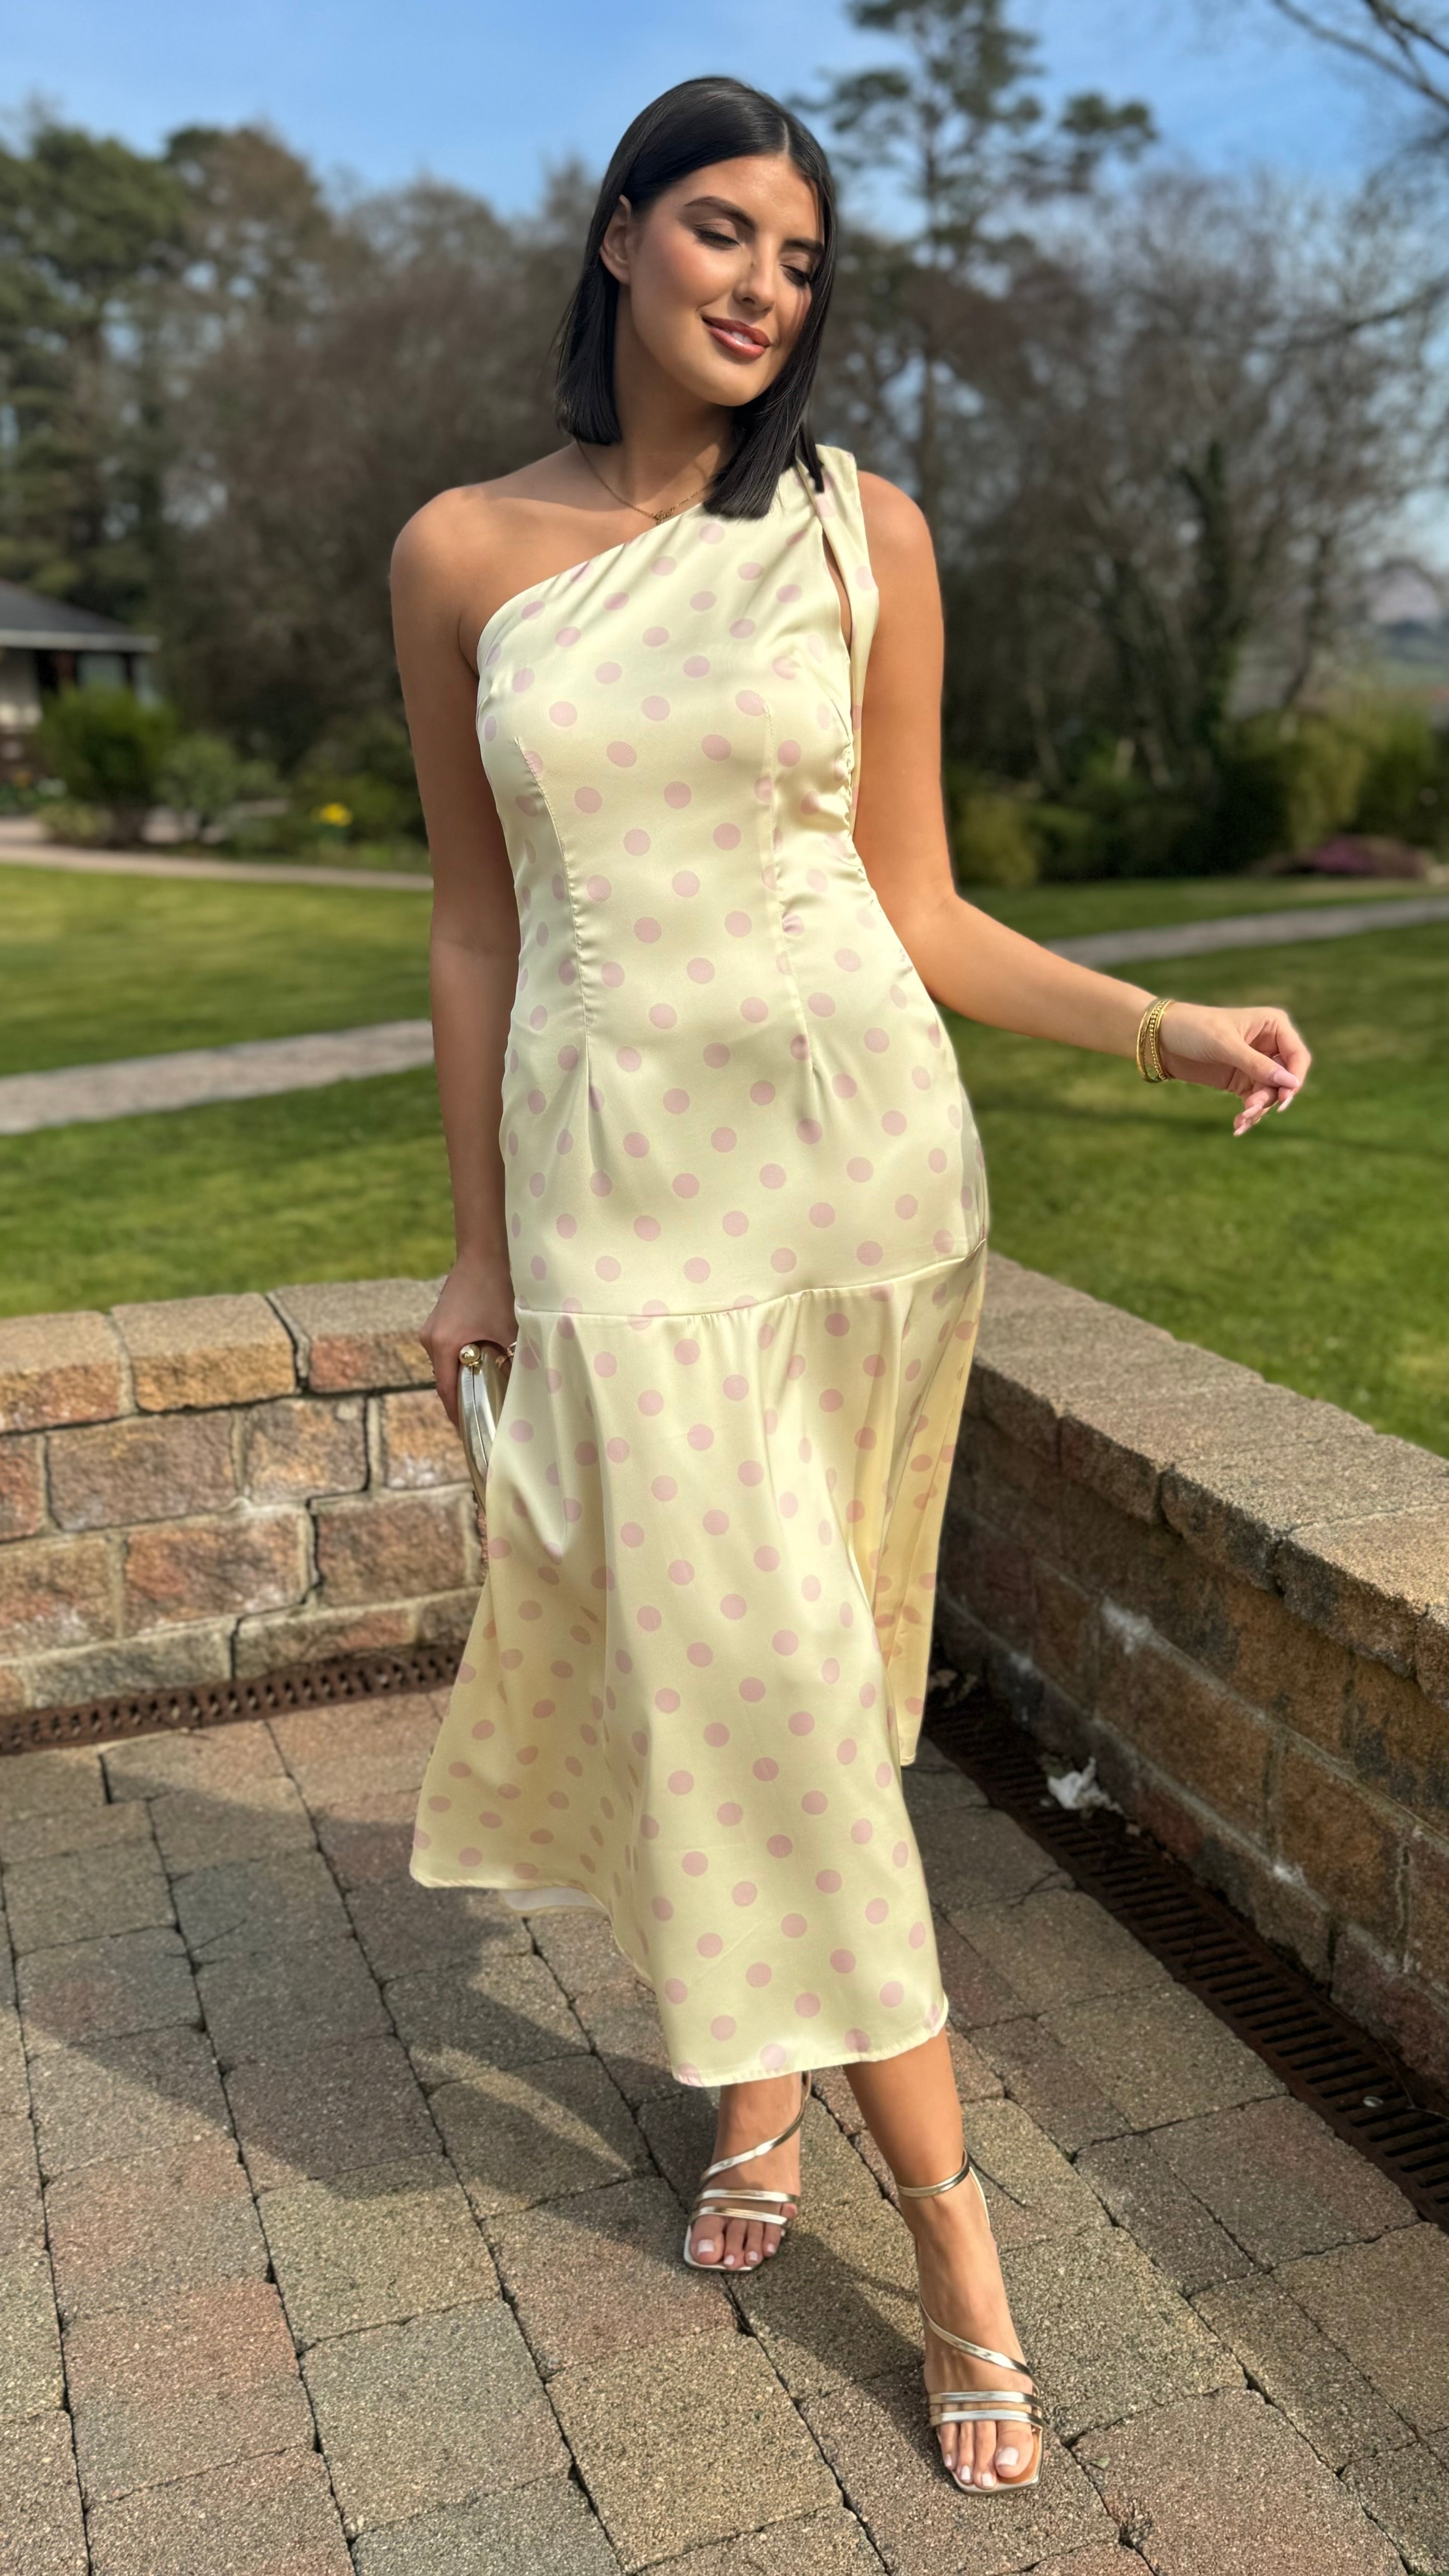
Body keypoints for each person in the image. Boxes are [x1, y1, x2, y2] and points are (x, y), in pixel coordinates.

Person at [390, 74, 1310, 2496]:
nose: (760, 286)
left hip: (858, 1184)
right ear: (616, 235)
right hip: (618, 1202)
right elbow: (475, 922)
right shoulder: (460, 552)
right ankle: (952, 2225)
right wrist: (479, 1239)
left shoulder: (856, 529)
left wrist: (1156, 1022)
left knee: (811, 1678)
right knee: (755, 1688)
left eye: (797, 259)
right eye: (719, 229)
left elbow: (916, 903)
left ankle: (765, 2078)